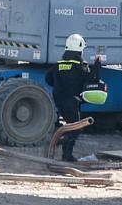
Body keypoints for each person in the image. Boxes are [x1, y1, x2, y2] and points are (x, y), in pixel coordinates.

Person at [45, 33, 101, 162]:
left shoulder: (58, 65)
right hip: (72, 101)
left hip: (58, 100)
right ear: (80, 50)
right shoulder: (81, 66)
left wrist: (59, 84)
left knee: (70, 126)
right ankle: (66, 154)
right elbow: (93, 78)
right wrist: (97, 64)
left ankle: (60, 143)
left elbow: (48, 79)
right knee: (76, 128)